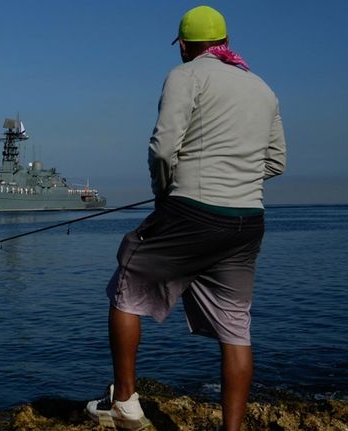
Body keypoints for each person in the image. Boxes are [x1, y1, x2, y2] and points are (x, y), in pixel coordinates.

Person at [85, 5, 286, 431]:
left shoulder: (185, 75)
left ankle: (123, 403)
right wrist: (236, 176)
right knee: (236, 329)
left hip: (190, 209)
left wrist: (166, 194)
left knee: (126, 284)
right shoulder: (263, 88)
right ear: (225, 43)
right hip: (248, 220)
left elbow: (162, 149)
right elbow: (276, 163)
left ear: (186, 46)